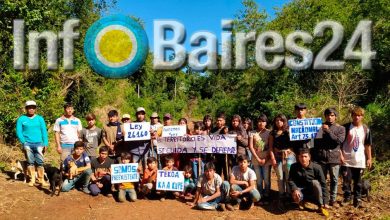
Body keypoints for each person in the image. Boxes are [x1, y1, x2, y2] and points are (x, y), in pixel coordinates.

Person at [312, 108, 346, 207]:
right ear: (325, 116)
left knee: (334, 180)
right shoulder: (319, 127)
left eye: (332, 115)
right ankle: (323, 199)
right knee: (322, 179)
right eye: (328, 115)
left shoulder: (341, 128)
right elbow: (315, 142)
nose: (330, 117)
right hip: (321, 158)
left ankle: (333, 200)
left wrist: (328, 131)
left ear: (335, 116)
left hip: (334, 158)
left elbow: (338, 141)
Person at [341, 106, 372, 208]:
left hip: (360, 159)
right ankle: (347, 197)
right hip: (346, 158)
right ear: (352, 116)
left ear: (362, 116)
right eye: (355, 115)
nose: (356, 117)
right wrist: (340, 155)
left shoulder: (366, 129)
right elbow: (340, 144)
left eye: (359, 115)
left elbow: (367, 145)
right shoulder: (345, 127)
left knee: (358, 182)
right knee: (346, 181)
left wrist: (369, 158)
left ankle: (357, 199)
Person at [16, 100, 49, 187]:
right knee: (30, 162)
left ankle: (41, 179)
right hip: (27, 144)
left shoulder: (40, 119)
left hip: (39, 143)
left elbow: (44, 131)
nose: (31, 109)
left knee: (40, 162)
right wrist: (23, 142)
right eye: (29, 108)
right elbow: (19, 132)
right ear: (26, 109)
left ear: (35, 109)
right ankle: (32, 179)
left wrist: (45, 143)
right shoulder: (21, 119)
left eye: (33, 108)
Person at [288, 148, 329, 216]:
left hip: (312, 190)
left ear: (309, 157)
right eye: (301, 156)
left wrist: (326, 202)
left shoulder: (317, 167)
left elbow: (323, 184)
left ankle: (320, 204)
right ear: (298, 157)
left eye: (305, 156)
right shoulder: (294, 166)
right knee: (296, 196)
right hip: (300, 189)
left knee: (315, 182)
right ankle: (301, 201)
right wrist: (295, 189)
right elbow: (290, 180)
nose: (303, 159)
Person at [269, 114, 295, 200]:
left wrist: (289, 150)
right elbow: (270, 147)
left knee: (288, 175)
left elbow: (294, 144)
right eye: (277, 120)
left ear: (284, 121)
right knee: (280, 176)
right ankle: (281, 193)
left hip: (289, 156)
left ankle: (289, 193)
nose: (279, 122)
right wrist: (272, 158)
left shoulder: (289, 131)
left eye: (281, 120)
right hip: (277, 157)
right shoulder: (272, 132)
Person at [248, 114, 271, 204]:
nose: (261, 123)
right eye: (259, 121)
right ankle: (260, 195)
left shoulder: (269, 132)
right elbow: (251, 146)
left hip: (267, 159)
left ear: (266, 123)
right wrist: (258, 158)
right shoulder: (252, 132)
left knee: (267, 179)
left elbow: (270, 147)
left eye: (263, 121)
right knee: (259, 179)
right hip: (255, 160)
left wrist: (265, 159)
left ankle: (267, 195)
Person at [211, 113, 229, 179]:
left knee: (226, 173)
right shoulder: (213, 130)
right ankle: (218, 187)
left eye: (220, 120)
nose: (219, 122)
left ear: (224, 121)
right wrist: (212, 155)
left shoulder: (227, 129)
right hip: (216, 155)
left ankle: (227, 187)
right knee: (217, 174)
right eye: (218, 120)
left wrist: (227, 133)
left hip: (226, 155)